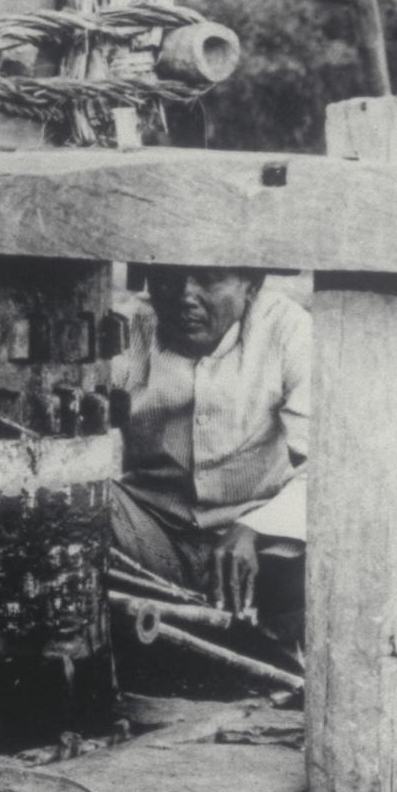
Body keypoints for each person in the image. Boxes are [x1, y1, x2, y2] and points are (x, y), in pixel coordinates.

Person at [109, 265, 313, 648]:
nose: (185, 296)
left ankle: (270, 645)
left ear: (252, 284)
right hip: (151, 533)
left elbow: (326, 467)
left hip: (258, 543)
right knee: (86, 514)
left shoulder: (287, 330)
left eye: (208, 278)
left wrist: (256, 527)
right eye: (169, 277)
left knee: (314, 562)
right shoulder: (129, 329)